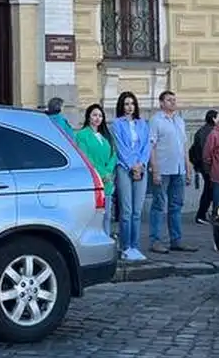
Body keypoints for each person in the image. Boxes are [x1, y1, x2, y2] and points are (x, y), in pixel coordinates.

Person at [146, 91, 193, 253]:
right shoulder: (155, 121)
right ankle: (155, 241)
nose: (173, 102)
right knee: (159, 205)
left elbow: (184, 146)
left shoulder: (179, 121)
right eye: (169, 100)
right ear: (161, 103)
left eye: (174, 99)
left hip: (178, 169)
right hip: (163, 169)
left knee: (176, 206)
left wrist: (188, 167)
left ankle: (176, 240)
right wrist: (155, 170)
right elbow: (151, 146)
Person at [110, 92, 153, 262]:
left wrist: (141, 164)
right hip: (124, 168)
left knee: (137, 211)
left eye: (132, 104)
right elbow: (120, 146)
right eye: (126, 104)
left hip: (141, 168)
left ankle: (135, 246)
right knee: (126, 211)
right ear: (121, 106)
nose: (129, 107)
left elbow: (146, 146)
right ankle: (125, 246)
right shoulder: (117, 124)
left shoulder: (142, 124)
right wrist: (132, 165)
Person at [70, 103, 118, 209]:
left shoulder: (106, 135)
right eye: (94, 115)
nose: (98, 118)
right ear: (88, 116)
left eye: (100, 116)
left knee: (107, 216)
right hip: (94, 180)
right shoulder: (82, 135)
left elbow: (113, 154)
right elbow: (86, 157)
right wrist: (102, 174)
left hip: (108, 181)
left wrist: (108, 172)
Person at [191, 109, 218, 225]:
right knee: (210, 191)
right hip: (210, 167)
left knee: (209, 190)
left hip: (204, 166)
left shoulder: (201, 131)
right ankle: (201, 214)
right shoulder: (212, 132)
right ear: (213, 119)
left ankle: (204, 214)